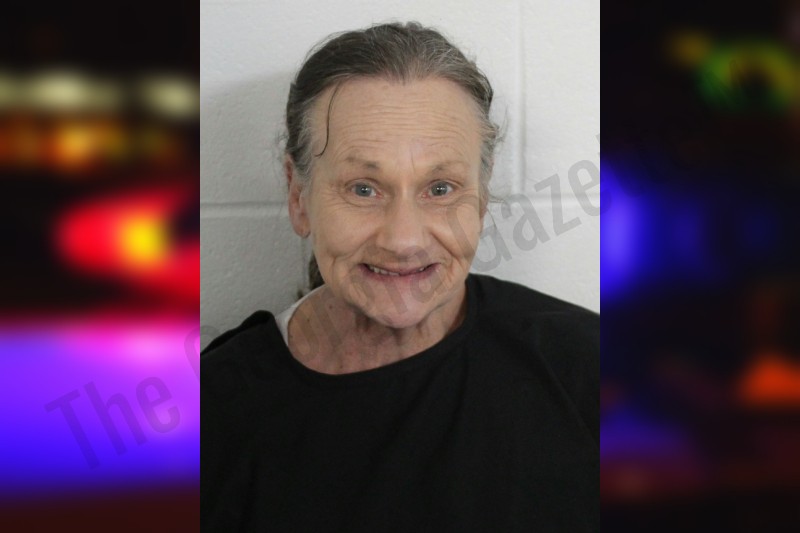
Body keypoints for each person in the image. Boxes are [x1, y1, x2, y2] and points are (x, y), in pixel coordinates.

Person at [201, 21, 598, 532]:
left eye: (441, 188)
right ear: (299, 197)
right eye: (363, 189)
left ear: (481, 195)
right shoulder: (210, 418)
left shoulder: (589, 368)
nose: (404, 240)